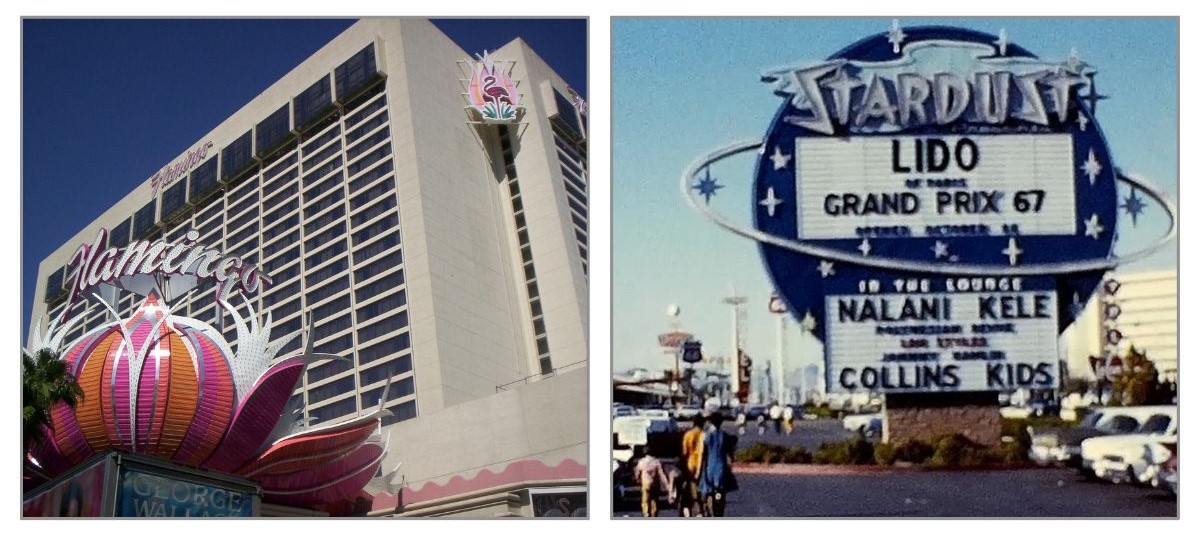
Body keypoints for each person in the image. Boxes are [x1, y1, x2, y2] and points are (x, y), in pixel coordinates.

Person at [698, 413, 738, 517]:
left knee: (708, 492)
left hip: (709, 468)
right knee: (721, 492)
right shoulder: (725, 436)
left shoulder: (706, 436)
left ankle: (709, 510)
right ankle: (719, 513)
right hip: (721, 468)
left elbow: (702, 454)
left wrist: (699, 470)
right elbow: (731, 453)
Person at [679, 415, 706, 517]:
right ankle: (700, 510)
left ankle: (689, 509)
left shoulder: (688, 435)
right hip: (702, 465)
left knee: (689, 488)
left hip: (690, 464)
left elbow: (684, 452)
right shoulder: (704, 434)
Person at [633, 445, 669, 517]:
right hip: (655, 484)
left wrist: (637, 479)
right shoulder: (657, 462)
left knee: (645, 501)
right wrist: (667, 484)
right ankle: (654, 515)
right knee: (654, 501)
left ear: (644, 452)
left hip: (645, 483)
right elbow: (661, 474)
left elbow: (637, 473)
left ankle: (646, 514)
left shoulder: (641, 462)